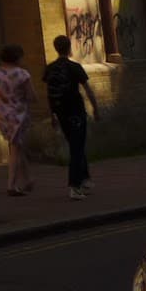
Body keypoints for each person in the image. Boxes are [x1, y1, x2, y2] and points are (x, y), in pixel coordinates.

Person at [43, 34, 100, 199]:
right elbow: (88, 89)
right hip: (76, 110)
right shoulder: (75, 67)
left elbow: (49, 94)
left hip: (61, 112)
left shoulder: (50, 68)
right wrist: (96, 108)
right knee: (77, 147)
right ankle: (74, 185)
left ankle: (84, 179)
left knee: (76, 144)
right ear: (69, 48)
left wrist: (52, 115)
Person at [0, 43, 35, 195]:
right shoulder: (22, 74)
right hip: (19, 116)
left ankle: (27, 180)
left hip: (2, 115)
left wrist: (2, 98)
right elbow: (31, 96)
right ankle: (11, 185)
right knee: (15, 149)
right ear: (18, 58)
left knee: (17, 146)